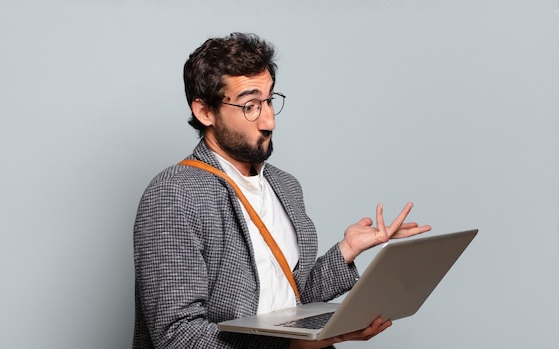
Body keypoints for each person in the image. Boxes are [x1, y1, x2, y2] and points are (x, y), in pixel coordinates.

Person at [133, 32, 431, 349]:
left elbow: (289, 306)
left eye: (269, 100)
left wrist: (346, 250)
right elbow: (177, 335)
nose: (269, 121)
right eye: (250, 105)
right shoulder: (174, 193)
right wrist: (291, 347)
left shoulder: (285, 186)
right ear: (205, 111)